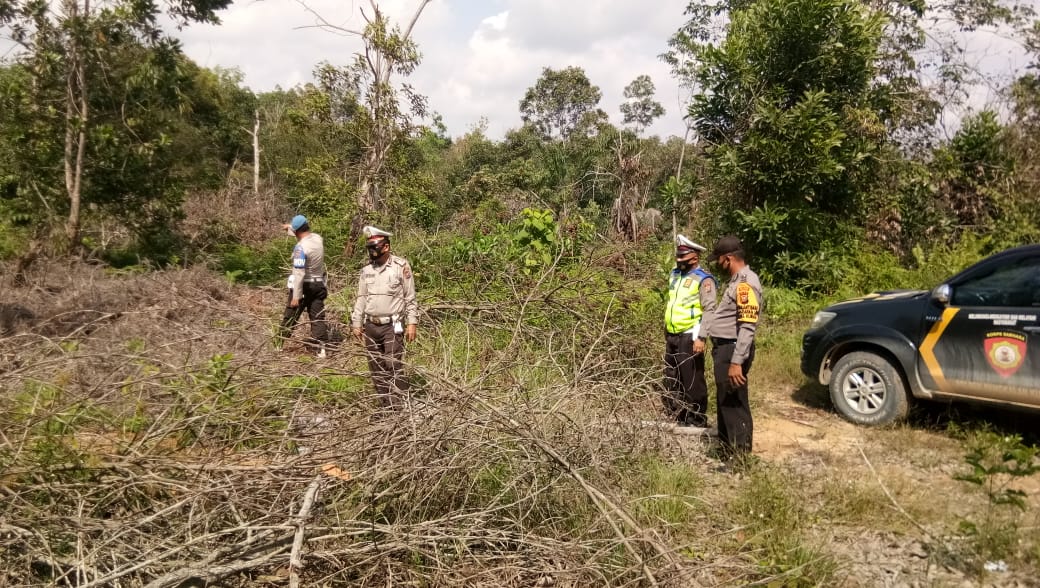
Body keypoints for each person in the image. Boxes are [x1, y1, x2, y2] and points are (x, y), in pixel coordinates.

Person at [705, 235, 763, 459]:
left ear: (728, 258)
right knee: (724, 401)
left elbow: (748, 325)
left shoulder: (746, 283)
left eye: (719, 260)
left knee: (734, 403)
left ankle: (740, 456)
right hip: (725, 349)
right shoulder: (737, 280)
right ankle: (727, 449)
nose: (718, 264)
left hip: (732, 349)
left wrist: (737, 361)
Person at [350, 226, 418, 410]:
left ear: (385, 247)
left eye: (375, 246)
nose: (372, 250)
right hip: (371, 325)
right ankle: (385, 407)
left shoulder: (400, 266)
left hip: (393, 325)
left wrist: (412, 322)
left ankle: (399, 407)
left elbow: (409, 297)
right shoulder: (366, 271)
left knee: (393, 364)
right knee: (376, 368)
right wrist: (357, 322)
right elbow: (361, 298)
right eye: (369, 247)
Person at [663, 234, 716, 428]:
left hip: (690, 335)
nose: (679, 262)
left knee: (692, 380)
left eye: (683, 259)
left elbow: (710, 310)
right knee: (672, 377)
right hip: (672, 334)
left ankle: (697, 419)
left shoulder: (704, 280)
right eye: (678, 258)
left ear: (694, 257)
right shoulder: (675, 274)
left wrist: (701, 337)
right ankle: (678, 416)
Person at [278, 214, 330, 358]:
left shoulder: (300, 249)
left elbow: (299, 273)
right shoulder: (318, 239)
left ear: (297, 232)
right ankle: (322, 349)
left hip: (304, 285)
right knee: (317, 316)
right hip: (319, 285)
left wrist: (296, 296)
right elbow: (301, 234)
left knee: (291, 314)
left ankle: (279, 344)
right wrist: (289, 227)